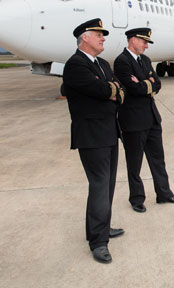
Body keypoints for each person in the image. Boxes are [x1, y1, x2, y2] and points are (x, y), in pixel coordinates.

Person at [62, 18, 125, 264]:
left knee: (107, 185)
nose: (103, 38)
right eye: (98, 34)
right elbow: (101, 91)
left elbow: (119, 91)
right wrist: (111, 90)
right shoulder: (75, 65)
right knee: (99, 186)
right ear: (84, 37)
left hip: (110, 131)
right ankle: (98, 242)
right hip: (91, 136)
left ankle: (102, 227)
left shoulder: (101, 63)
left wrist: (113, 90)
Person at [113, 27, 174, 213]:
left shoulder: (144, 60)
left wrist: (144, 83)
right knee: (134, 163)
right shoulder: (121, 62)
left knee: (158, 160)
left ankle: (164, 193)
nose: (146, 46)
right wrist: (148, 83)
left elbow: (158, 84)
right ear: (132, 40)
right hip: (133, 121)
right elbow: (132, 88)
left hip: (152, 118)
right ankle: (137, 199)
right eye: (144, 41)